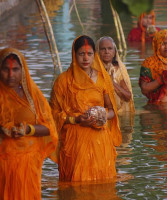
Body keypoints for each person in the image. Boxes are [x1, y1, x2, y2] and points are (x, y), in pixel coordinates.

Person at [50, 35, 122, 182]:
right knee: (76, 185)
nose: (85, 58)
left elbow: (112, 110)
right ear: (74, 55)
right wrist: (75, 119)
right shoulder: (63, 81)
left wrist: (103, 114)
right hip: (74, 142)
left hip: (100, 141)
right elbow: (52, 115)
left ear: (94, 55)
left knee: (103, 185)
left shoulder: (103, 79)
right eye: (81, 54)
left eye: (89, 54)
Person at [0, 48, 58, 199]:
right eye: (6, 69)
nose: (11, 75)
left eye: (15, 69)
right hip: (4, 164)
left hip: (30, 164)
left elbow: (49, 127)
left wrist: (27, 129)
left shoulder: (32, 94)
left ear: (23, 70)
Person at [96, 36, 135, 114]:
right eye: (103, 49)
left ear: (114, 52)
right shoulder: (93, 70)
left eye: (110, 48)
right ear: (98, 52)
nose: (106, 51)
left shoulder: (119, 70)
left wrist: (112, 83)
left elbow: (128, 97)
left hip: (119, 113)